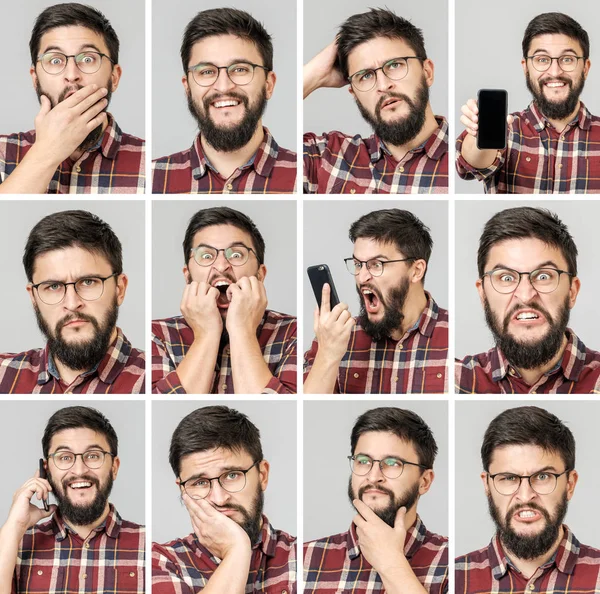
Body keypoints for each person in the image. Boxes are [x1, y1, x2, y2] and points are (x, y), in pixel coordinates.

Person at [0, 3, 145, 194]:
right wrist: (46, 152)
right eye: (55, 60)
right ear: (35, 79)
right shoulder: (2, 152)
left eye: (87, 59)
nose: (71, 74)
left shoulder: (147, 163)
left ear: (114, 77)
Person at [0, 406, 145, 593]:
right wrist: (14, 526)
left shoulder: (147, 546)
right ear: (47, 470)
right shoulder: (14, 545)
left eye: (93, 456)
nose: (79, 470)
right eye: (64, 458)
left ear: (114, 467)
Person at [456, 206, 600, 394]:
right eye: (506, 278)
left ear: (572, 291)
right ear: (483, 294)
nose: (525, 295)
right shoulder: (454, 381)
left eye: (543, 276)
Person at [152, 207, 296, 394]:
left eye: (236, 255)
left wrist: (243, 331)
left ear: (260, 275)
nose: (221, 266)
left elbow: (278, 411)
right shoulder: (157, 336)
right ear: (187, 276)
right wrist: (206, 334)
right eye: (206, 256)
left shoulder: (293, 333)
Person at [152, 405, 296, 593]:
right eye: (200, 482)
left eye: (232, 475)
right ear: (182, 490)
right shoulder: (162, 563)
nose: (219, 499)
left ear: (262, 475)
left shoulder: (303, 559)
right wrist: (237, 550)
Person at [303, 8, 448, 194]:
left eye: (395, 65)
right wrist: (314, 75)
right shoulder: (327, 158)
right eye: (365, 76)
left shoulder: (468, 154)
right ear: (353, 92)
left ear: (427, 72)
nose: (383, 85)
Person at [456, 406, 600, 592]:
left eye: (543, 477)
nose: (525, 496)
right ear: (487, 485)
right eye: (508, 478)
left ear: (570, 484)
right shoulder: (456, 578)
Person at [0, 210, 145, 394]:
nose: (72, 303)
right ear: (33, 298)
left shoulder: (153, 380)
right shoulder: (3, 374)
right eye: (53, 286)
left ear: (119, 289)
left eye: (88, 282)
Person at [304, 407, 448, 593]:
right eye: (363, 461)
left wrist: (391, 564)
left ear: (424, 481)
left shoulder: (452, 564)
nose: (373, 477)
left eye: (393, 464)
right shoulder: (305, 558)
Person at [152, 8, 296, 194]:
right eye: (206, 71)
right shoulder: (151, 178)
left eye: (240, 69)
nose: (223, 86)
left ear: (269, 84)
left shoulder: (305, 174)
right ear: (187, 87)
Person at [304, 209, 448, 393]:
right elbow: (309, 412)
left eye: (376, 264)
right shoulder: (333, 335)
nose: (362, 277)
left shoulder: (452, 334)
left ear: (416, 270)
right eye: (358, 264)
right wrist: (327, 353)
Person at [457, 12, 600, 193]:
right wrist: (478, 132)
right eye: (542, 60)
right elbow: (471, 163)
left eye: (567, 59)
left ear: (585, 68)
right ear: (526, 68)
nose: (555, 71)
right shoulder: (507, 128)